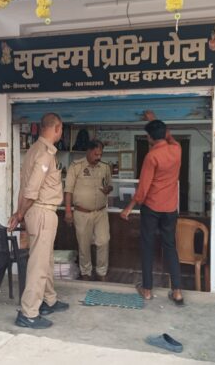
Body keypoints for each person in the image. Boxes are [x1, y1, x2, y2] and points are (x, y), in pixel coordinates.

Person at [8, 112, 69, 329]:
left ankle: (48, 300)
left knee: (46, 260)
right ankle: (29, 313)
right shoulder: (45, 154)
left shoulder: (34, 149)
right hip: (42, 211)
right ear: (57, 128)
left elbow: (24, 186)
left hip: (38, 211)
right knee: (38, 265)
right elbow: (32, 190)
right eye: (61, 129)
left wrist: (19, 212)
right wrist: (20, 214)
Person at [120, 110, 184, 305]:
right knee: (170, 246)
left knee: (147, 246)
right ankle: (177, 291)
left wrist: (128, 208)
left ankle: (147, 289)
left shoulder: (151, 156)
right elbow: (168, 135)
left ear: (149, 137)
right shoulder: (177, 149)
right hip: (170, 208)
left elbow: (143, 188)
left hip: (152, 208)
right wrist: (154, 120)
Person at [64, 140, 113, 281]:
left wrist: (108, 189)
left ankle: (101, 273)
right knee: (84, 245)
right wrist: (68, 211)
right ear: (88, 151)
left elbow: (110, 185)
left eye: (100, 154)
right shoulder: (76, 166)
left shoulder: (105, 167)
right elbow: (68, 191)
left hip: (101, 213)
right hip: (82, 213)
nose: (99, 157)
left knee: (103, 241)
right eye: (96, 154)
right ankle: (86, 273)